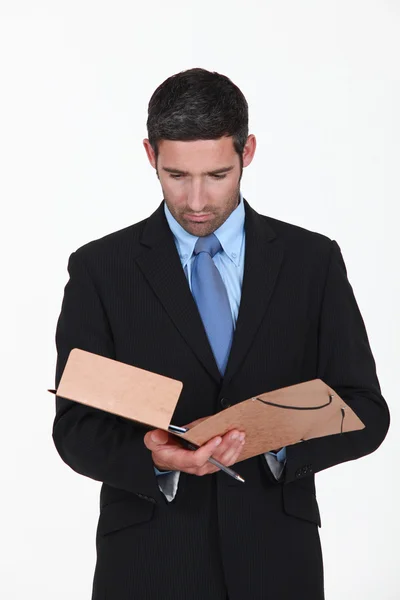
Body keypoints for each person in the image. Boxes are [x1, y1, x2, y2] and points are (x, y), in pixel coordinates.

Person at [52, 68, 390, 600]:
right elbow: (74, 428)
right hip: (147, 565)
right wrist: (152, 457)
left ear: (247, 151)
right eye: (176, 176)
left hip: (277, 563)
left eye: (217, 174)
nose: (197, 200)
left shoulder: (311, 262)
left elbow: (367, 411)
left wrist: (273, 444)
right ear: (149, 155)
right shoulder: (101, 269)